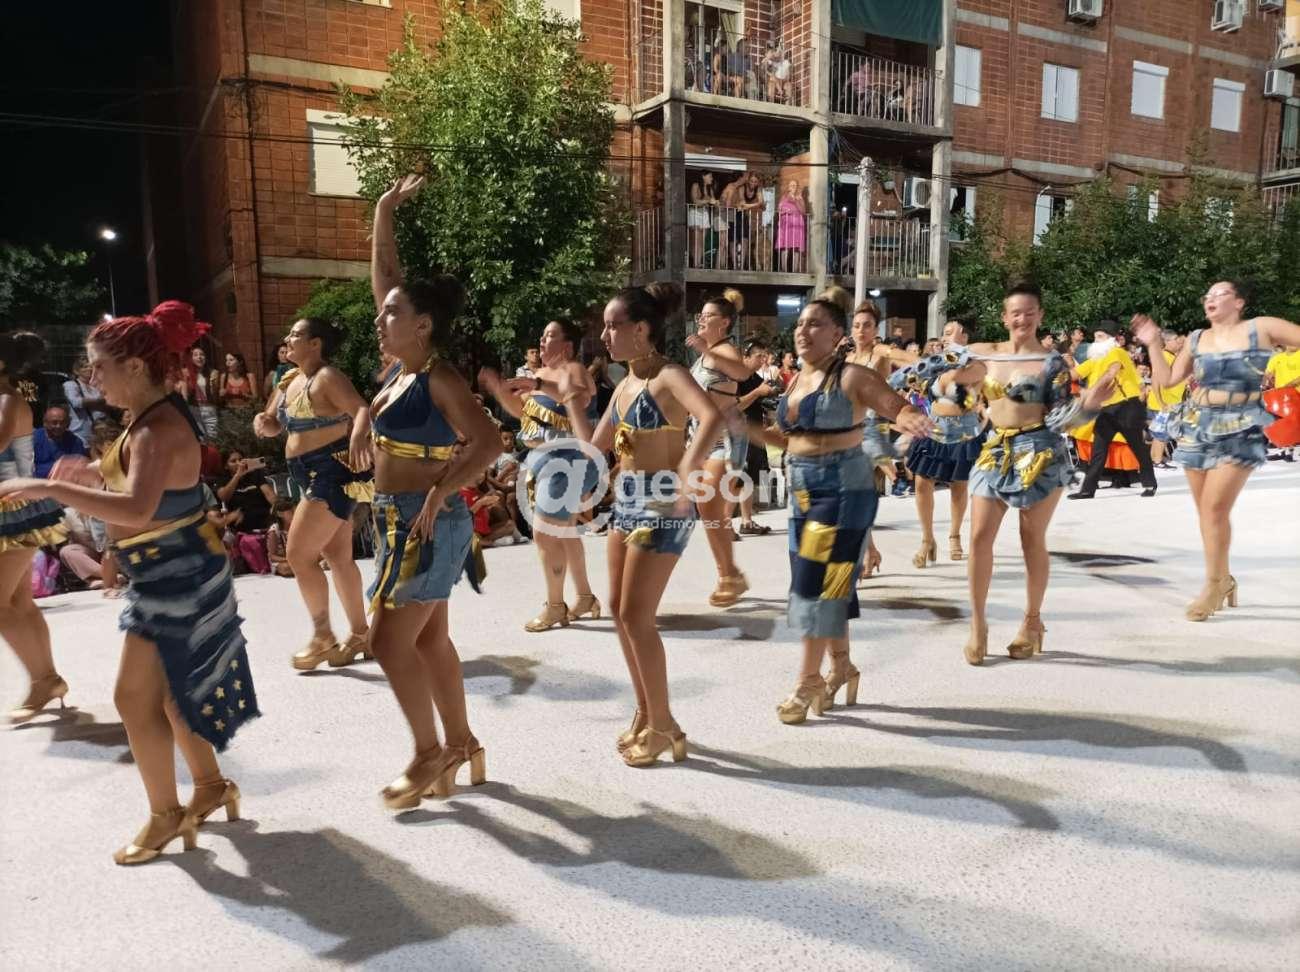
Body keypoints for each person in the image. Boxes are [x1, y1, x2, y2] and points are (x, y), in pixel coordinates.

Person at [0, 302, 259, 864]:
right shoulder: (145, 420)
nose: (92, 378)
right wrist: (87, 471)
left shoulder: (158, 427)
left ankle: (167, 814)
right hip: (168, 571)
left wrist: (53, 488)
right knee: (167, 694)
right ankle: (211, 786)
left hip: (179, 575)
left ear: (136, 367)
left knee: (132, 697)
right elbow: (130, 476)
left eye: (99, 366)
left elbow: (139, 507)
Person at [367, 174, 501, 807]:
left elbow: (489, 443)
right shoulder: (402, 368)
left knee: (387, 642)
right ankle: (462, 743)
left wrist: (440, 492)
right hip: (398, 519)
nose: (381, 318)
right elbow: (387, 277)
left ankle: (429, 753)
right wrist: (383, 211)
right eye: (384, 311)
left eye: (393, 313)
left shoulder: (437, 377)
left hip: (426, 523)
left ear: (422, 325)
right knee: (427, 640)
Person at [749, 298, 931, 724]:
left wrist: (909, 417)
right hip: (803, 491)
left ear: (836, 335)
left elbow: (895, 405)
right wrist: (747, 429)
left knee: (812, 584)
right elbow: (791, 439)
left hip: (843, 489)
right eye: (801, 323)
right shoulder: (797, 381)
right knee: (828, 585)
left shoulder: (852, 377)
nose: (803, 331)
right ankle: (842, 666)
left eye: (815, 324)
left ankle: (808, 679)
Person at [582, 282, 724, 767]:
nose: (605, 335)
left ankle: (663, 724)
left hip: (664, 502)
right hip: (626, 501)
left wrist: (686, 469)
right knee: (619, 611)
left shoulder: (669, 376)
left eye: (613, 326)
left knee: (637, 615)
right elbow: (597, 444)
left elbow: (711, 418)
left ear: (641, 329)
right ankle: (648, 712)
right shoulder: (624, 384)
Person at [957, 282, 1118, 664]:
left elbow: (1060, 418)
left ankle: (1031, 621)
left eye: (1030, 312)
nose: (1023, 319)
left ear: (1040, 315)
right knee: (978, 537)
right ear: (1004, 317)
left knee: (1031, 538)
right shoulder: (987, 357)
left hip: (1040, 451)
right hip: (995, 449)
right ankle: (978, 624)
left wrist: (1089, 403)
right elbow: (954, 384)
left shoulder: (1052, 363)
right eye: (1016, 312)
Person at [1133, 282, 1300, 620]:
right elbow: (1167, 380)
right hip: (1198, 424)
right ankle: (1223, 578)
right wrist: (1152, 344)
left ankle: (1212, 585)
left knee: (1213, 508)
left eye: (1219, 294)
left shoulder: (1261, 328)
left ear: (1239, 302)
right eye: (1207, 295)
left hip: (1241, 425)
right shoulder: (1197, 338)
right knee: (1208, 513)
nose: (1210, 299)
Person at [255, 318, 374, 668]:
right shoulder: (288, 380)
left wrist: (358, 435)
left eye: (295, 334)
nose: (287, 338)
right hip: (308, 475)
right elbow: (275, 425)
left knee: (298, 555)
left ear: (315, 344)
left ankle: (323, 637)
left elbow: (362, 409)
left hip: (329, 474)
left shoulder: (327, 377)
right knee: (337, 556)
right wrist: (265, 423)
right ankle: (361, 634)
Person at [480, 318, 601, 631]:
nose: (543, 341)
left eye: (550, 336)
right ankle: (585, 597)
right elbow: (523, 413)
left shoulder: (573, 370)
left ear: (567, 346)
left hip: (567, 460)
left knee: (545, 533)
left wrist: (537, 385)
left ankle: (556, 606)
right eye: (543, 335)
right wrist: (499, 390)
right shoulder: (541, 376)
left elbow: (578, 397)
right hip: (542, 460)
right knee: (566, 532)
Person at [0, 332, 70, 723]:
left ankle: (44, 680)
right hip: (14, 508)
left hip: (12, 510)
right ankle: (48, 680)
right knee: (20, 603)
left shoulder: (8, 401)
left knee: (2, 605)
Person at [683, 289, 756, 606]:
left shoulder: (726, 351)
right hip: (698, 437)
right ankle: (730, 573)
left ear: (724, 322)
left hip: (723, 438)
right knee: (708, 508)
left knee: (709, 505)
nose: (701, 320)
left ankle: (728, 575)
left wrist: (705, 350)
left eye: (707, 316)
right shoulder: (707, 354)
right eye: (700, 315)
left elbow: (742, 373)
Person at [893, 318, 984, 567]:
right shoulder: (935, 366)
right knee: (922, 483)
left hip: (963, 432)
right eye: (943, 333)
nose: (944, 338)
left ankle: (954, 535)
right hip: (934, 428)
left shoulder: (975, 365)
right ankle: (927, 539)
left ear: (964, 337)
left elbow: (961, 386)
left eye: (949, 333)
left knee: (958, 486)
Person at [843, 296, 916, 577]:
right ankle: (870, 551)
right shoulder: (848, 358)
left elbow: (910, 358)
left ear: (875, 330)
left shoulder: (881, 353)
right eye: (857, 325)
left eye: (867, 325)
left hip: (872, 429)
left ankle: (866, 554)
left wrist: (929, 365)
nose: (861, 330)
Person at [1068, 320, 1158, 499]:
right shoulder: (1096, 358)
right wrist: (1053, 375)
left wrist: (1092, 392)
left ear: (1111, 339)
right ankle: (1087, 490)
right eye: (1095, 337)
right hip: (1107, 410)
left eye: (1100, 336)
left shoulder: (1117, 352)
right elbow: (1075, 373)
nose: (1096, 340)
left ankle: (1150, 484)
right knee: (1098, 449)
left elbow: (1111, 373)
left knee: (1138, 447)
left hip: (1127, 407)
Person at [734, 340, 779, 534]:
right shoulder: (735, 377)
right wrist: (758, 392)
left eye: (764, 356)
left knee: (750, 478)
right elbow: (735, 406)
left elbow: (762, 401)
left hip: (754, 432)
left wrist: (770, 395)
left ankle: (746, 521)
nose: (763, 360)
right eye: (758, 356)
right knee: (736, 480)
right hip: (738, 434)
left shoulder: (755, 378)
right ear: (745, 356)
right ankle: (725, 524)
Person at [216, 449, 277, 575]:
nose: (238, 463)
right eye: (233, 461)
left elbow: (269, 494)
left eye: (240, 459)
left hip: (265, 521)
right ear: (226, 466)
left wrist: (277, 508)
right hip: (242, 528)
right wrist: (237, 476)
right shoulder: (223, 480)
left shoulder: (255, 475)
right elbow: (224, 496)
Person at [1147, 330, 1187, 468]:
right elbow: (1155, 379)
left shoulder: (1169, 356)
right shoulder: (1164, 356)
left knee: (1160, 431)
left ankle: (1155, 458)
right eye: (1175, 339)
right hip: (1164, 402)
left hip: (1170, 401)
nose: (1178, 342)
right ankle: (1157, 461)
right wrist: (1161, 402)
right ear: (1167, 341)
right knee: (1162, 433)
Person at [63, 357, 110, 447]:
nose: (89, 369)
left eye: (91, 366)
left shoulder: (97, 385)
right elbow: (77, 403)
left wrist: (94, 402)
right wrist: (100, 401)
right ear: (77, 371)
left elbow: (109, 402)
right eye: (85, 367)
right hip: (81, 432)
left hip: (101, 430)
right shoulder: (71, 385)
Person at [31, 404, 88, 477]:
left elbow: (81, 466)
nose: (58, 426)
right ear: (45, 423)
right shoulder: (32, 440)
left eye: (62, 422)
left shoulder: (75, 441)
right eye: (54, 423)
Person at [180, 345, 219, 439]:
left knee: (213, 438)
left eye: (202, 354)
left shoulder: (212, 373)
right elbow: (185, 394)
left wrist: (215, 387)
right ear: (191, 358)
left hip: (209, 409)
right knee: (200, 439)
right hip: (194, 409)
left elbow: (216, 396)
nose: (199, 357)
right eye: (196, 355)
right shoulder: (186, 373)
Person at [775, 179, 807, 273]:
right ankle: (783, 269)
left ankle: (795, 270)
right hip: (786, 224)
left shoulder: (799, 198)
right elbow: (779, 209)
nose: (793, 187)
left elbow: (803, 211)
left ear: (797, 187)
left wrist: (795, 201)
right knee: (785, 246)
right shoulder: (784, 197)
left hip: (797, 224)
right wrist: (784, 211)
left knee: (796, 247)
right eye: (791, 185)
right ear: (788, 187)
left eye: (794, 185)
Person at [267, 499, 295, 577]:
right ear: (280, 514)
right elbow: (272, 556)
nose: (295, 514)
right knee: (286, 568)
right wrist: (288, 559)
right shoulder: (274, 531)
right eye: (292, 512)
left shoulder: (296, 527)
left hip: (297, 558)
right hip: (282, 561)